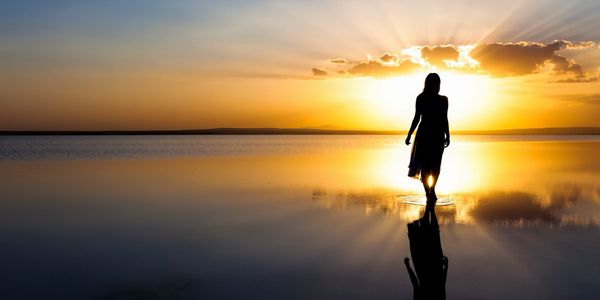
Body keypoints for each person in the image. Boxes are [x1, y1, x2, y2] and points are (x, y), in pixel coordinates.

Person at [405, 73, 450, 204]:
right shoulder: (421, 98)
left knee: (436, 166)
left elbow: (444, 118)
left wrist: (448, 134)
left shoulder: (443, 100)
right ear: (428, 84)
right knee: (425, 166)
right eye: (433, 83)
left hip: (438, 135)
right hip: (424, 134)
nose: (436, 86)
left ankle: (431, 190)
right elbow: (416, 117)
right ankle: (428, 193)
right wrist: (409, 134)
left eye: (437, 83)